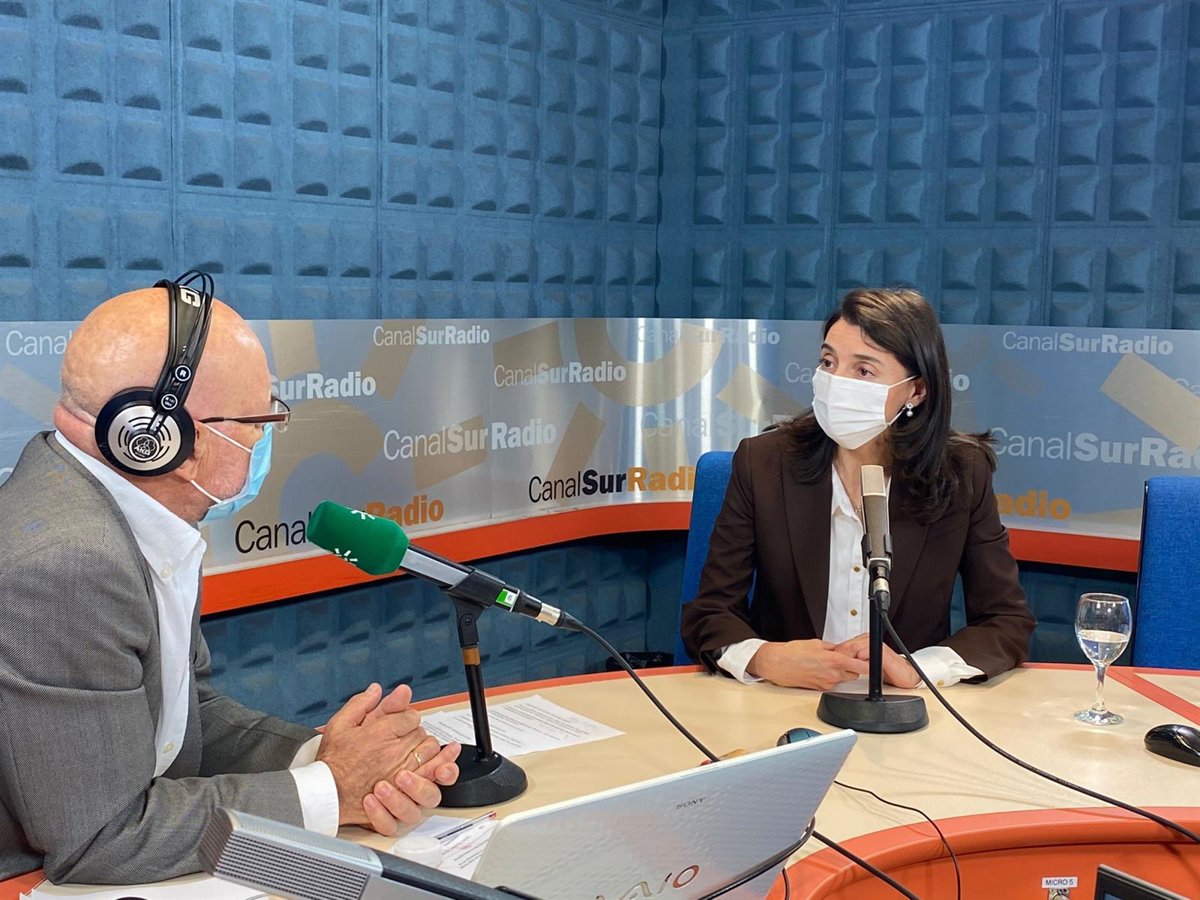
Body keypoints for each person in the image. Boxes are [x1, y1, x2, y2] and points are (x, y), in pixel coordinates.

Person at [0, 278, 461, 884]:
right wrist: (333, 790)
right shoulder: (68, 565)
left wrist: (326, 759)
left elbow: (178, 718)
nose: (265, 439)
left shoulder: (130, 514)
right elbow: (103, 837)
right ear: (164, 441)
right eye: (258, 420)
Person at [681, 288, 1036, 691]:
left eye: (863, 371)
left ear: (916, 391)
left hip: (904, 706)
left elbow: (1006, 621)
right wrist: (766, 657)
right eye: (828, 362)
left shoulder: (961, 474)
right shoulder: (763, 463)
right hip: (783, 698)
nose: (836, 382)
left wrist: (917, 668)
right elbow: (709, 613)